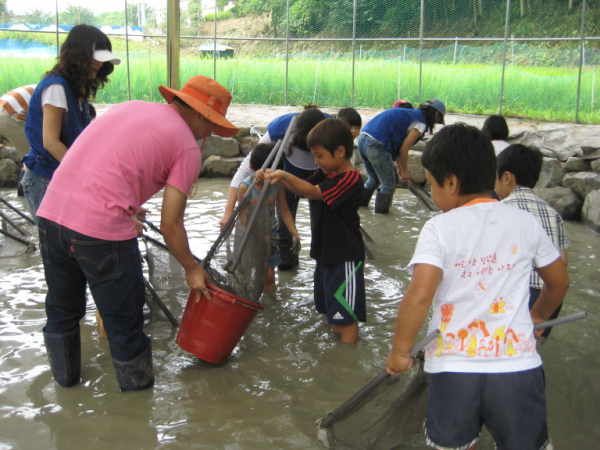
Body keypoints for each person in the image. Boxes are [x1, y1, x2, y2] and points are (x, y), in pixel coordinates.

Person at [35, 75, 238, 392]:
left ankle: (66, 389)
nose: (209, 133)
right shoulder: (186, 146)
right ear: (199, 113)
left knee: (61, 312)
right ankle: (137, 410)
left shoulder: (130, 107)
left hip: (50, 218)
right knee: (125, 327)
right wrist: (192, 269)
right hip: (99, 235)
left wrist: (128, 207)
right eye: (211, 123)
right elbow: (171, 224)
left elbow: (100, 166)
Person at [385, 123, 569, 450]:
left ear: (452, 183)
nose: (432, 192)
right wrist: (538, 317)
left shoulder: (438, 228)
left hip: (454, 372)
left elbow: (419, 296)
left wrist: (400, 351)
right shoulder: (526, 223)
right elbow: (558, 282)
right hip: (517, 369)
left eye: (431, 185)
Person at [261, 118, 366, 344]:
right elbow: (303, 187)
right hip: (326, 255)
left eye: (319, 156)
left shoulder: (349, 178)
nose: (316, 161)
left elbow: (313, 192)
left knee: (346, 314)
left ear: (340, 152)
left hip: (344, 257)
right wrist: (276, 176)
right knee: (334, 313)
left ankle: (347, 361)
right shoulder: (326, 173)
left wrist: (284, 175)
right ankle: (335, 355)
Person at [21, 24, 120, 223]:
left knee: (70, 243)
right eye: (95, 58)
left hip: (60, 175)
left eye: (103, 60)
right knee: (56, 247)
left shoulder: (75, 88)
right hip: (45, 178)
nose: (99, 65)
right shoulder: (57, 86)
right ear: (78, 55)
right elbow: (50, 142)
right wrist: (84, 175)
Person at [220, 106, 330, 271]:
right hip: (283, 181)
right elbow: (243, 172)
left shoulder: (332, 132)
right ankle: (287, 264)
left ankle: (321, 266)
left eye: (318, 155)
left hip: (319, 184)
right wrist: (228, 211)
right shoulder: (278, 131)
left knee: (321, 226)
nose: (314, 159)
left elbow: (343, 174)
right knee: (283, 229)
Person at [495, 143, 570, 339]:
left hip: (516, 294)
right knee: (528, 344)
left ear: (506, 177)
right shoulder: (553, 214)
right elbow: (563, 260)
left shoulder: (500, 209)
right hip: (548, 297)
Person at [358, 99, 445, 213]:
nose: (436, 122)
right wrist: (405, 171)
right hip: (376, 144)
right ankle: (382, 220)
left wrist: (400, 168)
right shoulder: (421, 123)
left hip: (363, 139)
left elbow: (399, 148)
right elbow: (404, 150)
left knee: (373, 180)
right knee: (388, 186)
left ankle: (359, 209)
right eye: (438, 120)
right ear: (437, 114)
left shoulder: (411, 114)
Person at [238, 143, 300, 293]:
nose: (268, 177)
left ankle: (270, 307)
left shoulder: (277, 185)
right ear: (252, 168)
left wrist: (294, 232)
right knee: (247, 275)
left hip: (270, 234)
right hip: (250, 235)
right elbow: (242, 216)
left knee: (269, 275)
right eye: (264, 172)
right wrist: (258, 235)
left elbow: (284, 211)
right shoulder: (245, 187)